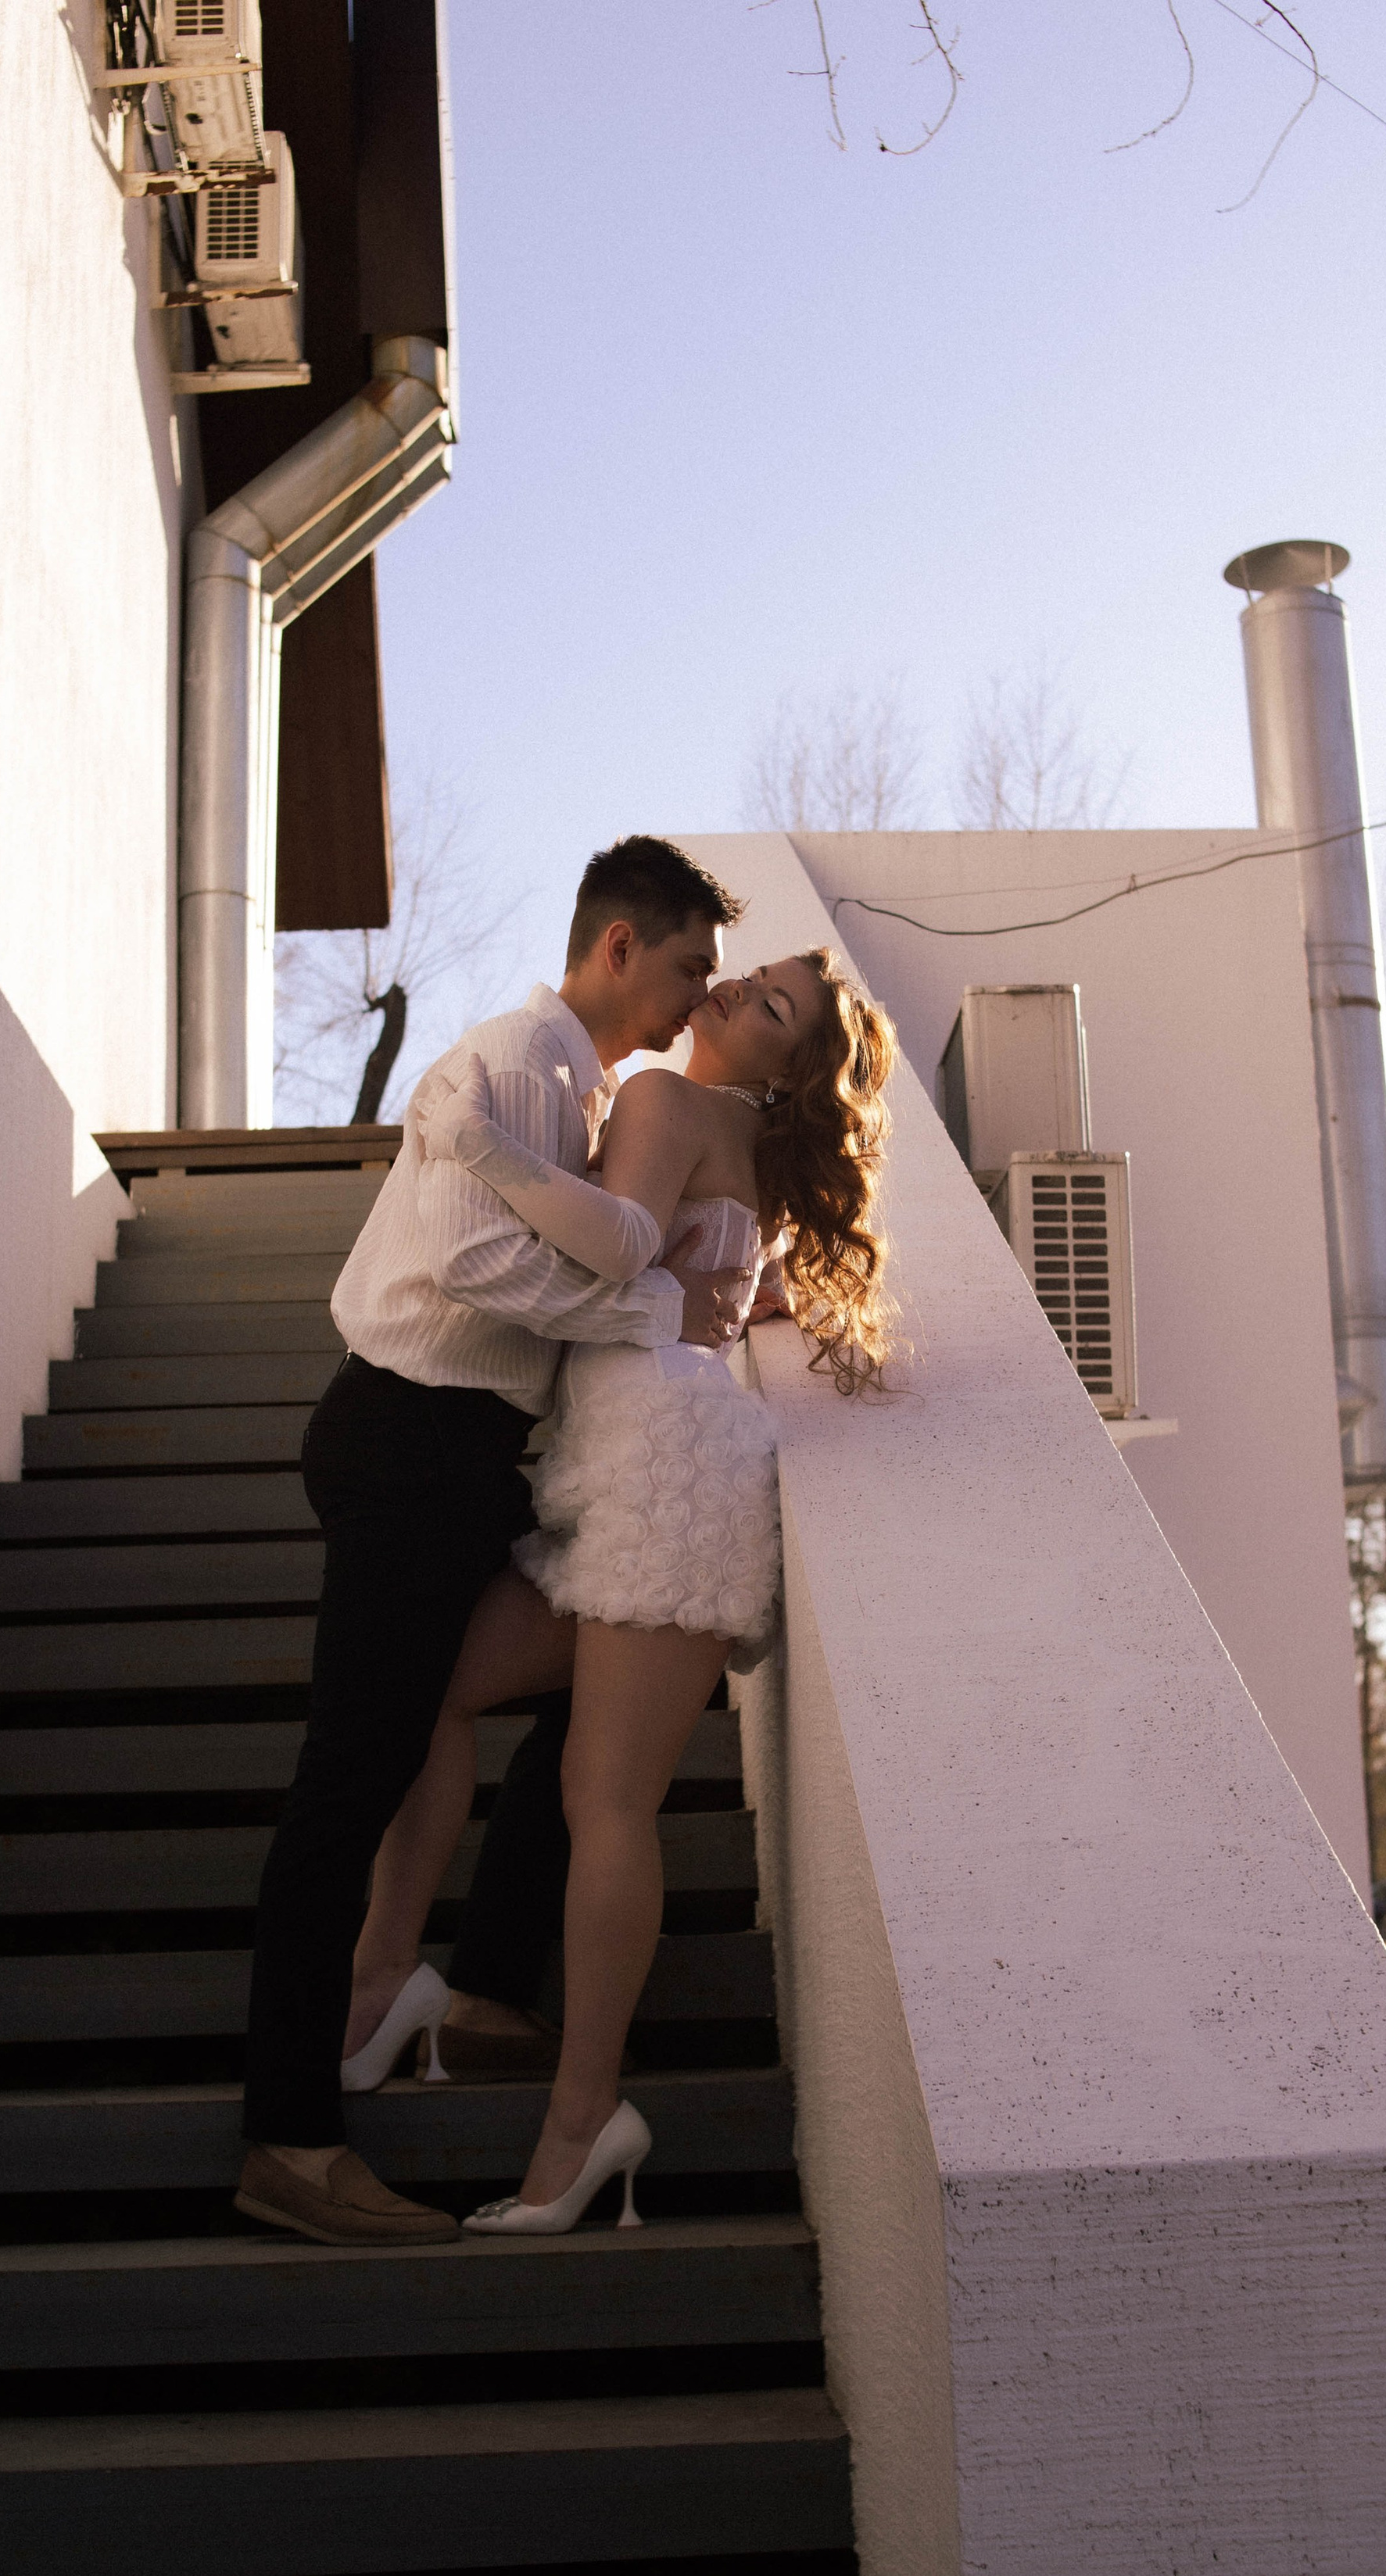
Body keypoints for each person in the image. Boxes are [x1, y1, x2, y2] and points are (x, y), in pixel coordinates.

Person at [233, 837, 747, 2248]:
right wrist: (638, 1311)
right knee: (350, 1776)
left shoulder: (579, 1092)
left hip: (457, 1455)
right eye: (692, 964)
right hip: (411, 1436)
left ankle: (461, 1986)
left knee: (569, 1686)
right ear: (620, 948)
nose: (700, 995)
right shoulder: (529, 1054)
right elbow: (474, 1260)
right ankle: (288, 2132)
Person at [338, 946, 897, 2234]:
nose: (735, 990)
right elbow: (675, 1278)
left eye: (770, 1007)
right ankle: (386, 1976)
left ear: (787, 1067)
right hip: (621, 1464)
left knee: (605, 1796)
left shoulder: (662, 1100)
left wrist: (475, 1146)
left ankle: (583, 2120)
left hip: (663, 1465)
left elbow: (615, 1251)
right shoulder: (717, 1129)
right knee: (432, 1685)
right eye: (752, 973)